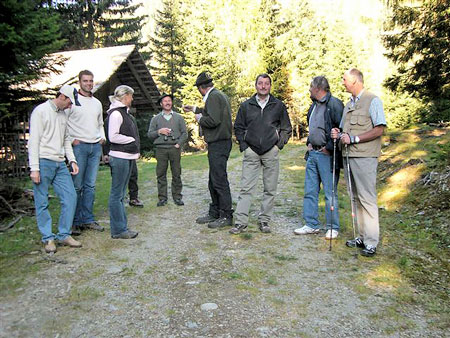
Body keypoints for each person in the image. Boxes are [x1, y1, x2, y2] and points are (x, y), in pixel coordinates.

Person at [331, 68, 386, 257]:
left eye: (344, 79)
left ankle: (371, 242)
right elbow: (344, 129)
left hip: (365, 157)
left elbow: (379, 129)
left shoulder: (373, 100)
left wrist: (354, 139)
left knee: (367, 198)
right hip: (349, 157)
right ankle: (361, 235)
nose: (343, 82)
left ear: (355, 81)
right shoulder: (349, 104)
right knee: (354, 198)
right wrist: (338, 134)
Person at [230, 73, 292, 234]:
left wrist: (278, 146)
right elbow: (238, 127)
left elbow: (286, 128)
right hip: (251, 152)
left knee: (270, 188)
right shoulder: (246, 106)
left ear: (270, 86)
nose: (263, 86)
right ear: (256, 85)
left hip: (271, 152)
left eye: (266, 83)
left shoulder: (278, 106)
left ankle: (264, 220)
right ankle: (240, 222)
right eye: (260, 83)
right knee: (246, 188)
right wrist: (244, 146)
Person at [28, 84, 83, 253]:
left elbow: (66, 140)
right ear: (62, 97)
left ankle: (64, 234)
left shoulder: (64, 114)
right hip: (43, 161)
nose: (70, 106)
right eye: (69, 102)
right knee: (42, 200)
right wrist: (34, 168)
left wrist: (72, 160)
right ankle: (48, 238)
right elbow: (34, 141)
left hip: (60, 163)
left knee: (70, 196)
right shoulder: (41, 111)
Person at [294, 76, 343, 239]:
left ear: (318, 88)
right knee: (310, 190)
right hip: (313, 154)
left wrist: (329, 148)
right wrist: (309, 143)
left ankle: (332, 227)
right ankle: (311, 224)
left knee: (330, 193)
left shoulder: (334, 104)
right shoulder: (313, 106)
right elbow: (314, 127)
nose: (309, 90)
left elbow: (340, 129)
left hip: (327, 155)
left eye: (310, 87)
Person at [183, 72, 233, 228]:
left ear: (200, 88)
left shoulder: (212, 97)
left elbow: (213, 120)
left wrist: (199, 119)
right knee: (214, 179)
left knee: (219, 179)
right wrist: (195, 109)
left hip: (219, 143)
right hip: (220, 142)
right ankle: (215, 212)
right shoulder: (218, 95)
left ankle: (226, 215)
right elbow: (212, 111)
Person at [66, 70, 105, 235]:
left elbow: (100, 123)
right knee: (77, 186)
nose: (88, 83)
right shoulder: (72, 102)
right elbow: (63, 122)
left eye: (91, 81)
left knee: (90, 185)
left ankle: (87, 219)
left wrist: (102, 137)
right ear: (79, 82)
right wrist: (71, 139)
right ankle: (75, 221)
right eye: (85, 81)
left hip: (95, 146)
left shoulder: (97, 103)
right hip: (79, 147)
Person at [104, 85, 140, 239]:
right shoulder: (116, 114)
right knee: (117, 194)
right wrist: (131, 140)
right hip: (119, 157)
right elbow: (112, 136)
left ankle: (121, 227)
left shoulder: (123, 113)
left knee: (120, 194)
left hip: (127, 157)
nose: (132, 99)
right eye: (131, 96)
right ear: (125, 96)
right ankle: (119, 230)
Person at [147, 93, 187, 206]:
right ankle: (162, 198)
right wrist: (159, 132)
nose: (167, 103)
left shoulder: (179, 118)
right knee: (161, 174)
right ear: (161, 104)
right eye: (165, 101)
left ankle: (177, 197)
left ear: (172, 103)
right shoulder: (155, 119)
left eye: (169, 100)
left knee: (176, 173)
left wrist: (179, 144)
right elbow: (149, 135)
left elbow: (184, 133)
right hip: (160, 149)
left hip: (175, 148)